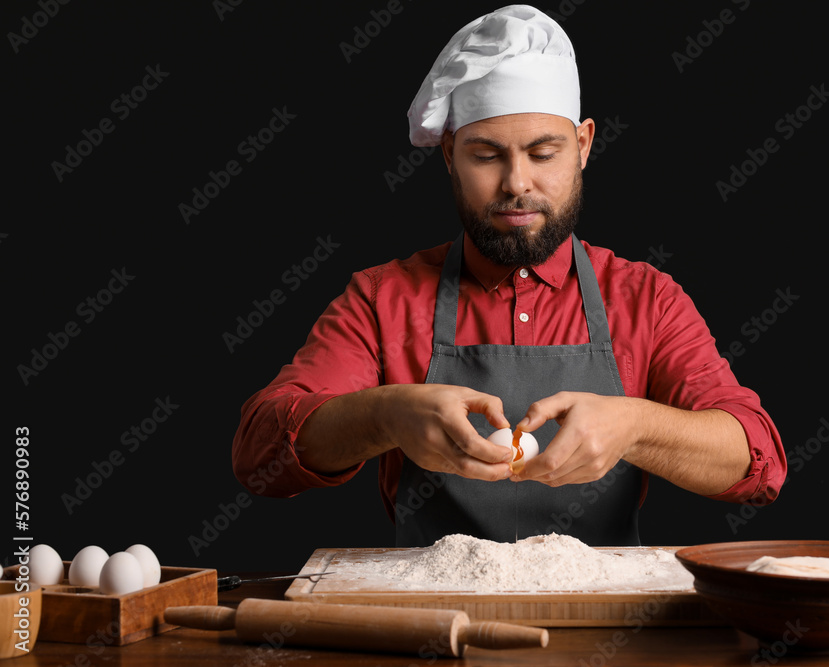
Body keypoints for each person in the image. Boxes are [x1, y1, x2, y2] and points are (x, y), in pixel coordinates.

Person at [232, 5, 786, 547]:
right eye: (486, 155)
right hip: (430, 626)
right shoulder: (383, 299)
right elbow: (258, 453)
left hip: (605, 628)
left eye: (544, 153)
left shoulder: (646, 299)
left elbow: (758, 459)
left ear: (584, 146)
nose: (517, 183)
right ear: (449, 153)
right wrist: (385, 415)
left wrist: (636, 426)